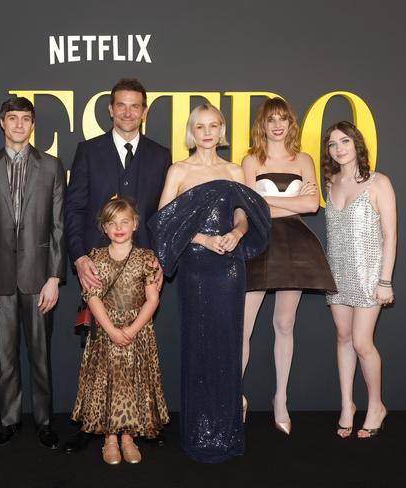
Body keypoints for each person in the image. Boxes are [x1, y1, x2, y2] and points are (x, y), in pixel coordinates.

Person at [149, 104, 270, 463]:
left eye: (213, 125)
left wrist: (236, 232)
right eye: (200, 126)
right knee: (197, 344)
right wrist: (201, 238)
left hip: (230, 268)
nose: (206, 132)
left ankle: (227, 432)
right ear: (192, 131)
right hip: (195, 269)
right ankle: (199, 432)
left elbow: (245, 212)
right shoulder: (179, 170)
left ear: (221, 130)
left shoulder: (234, 169)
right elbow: (162, 222)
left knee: (228, 344)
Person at [64, 78, 170, 453]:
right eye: (121, 105)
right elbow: (74, 208)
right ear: (109, 109)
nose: (128, 112)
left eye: (135, 106)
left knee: (137, 352)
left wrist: (160, 260)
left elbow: (163, 215)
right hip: (99, 271)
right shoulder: (88, 151)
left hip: (141, 272)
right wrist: (78, 258)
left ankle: (135, 426)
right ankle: (103, 426)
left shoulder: (160, 155)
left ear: (144, 111)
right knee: (100, 351)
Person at [0, 96, 65, 449]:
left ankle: (43, 421)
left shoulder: (52, 166)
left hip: (40, 277)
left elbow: (58, 227)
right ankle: (8, 420)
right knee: (5, 356)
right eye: (13, 118)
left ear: (32, 123)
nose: (19, 124)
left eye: (25, 118)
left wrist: (55, 277)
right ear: (1, 122)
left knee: (40, 355)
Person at [241, 98, 336, 435]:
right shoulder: (251, 159)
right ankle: (235, 398)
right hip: (258, 242)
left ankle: (280, 399)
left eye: (283, 118)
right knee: (244, 327)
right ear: (262, 125)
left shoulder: (304, 159)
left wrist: (266, 202)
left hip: (296, 244)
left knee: (284, 323)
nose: (277, 124)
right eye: (271, 119)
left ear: (290, 123)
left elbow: (311, 205)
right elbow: (251, 209)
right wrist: (285, 203)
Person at [71, 197, 169, 465]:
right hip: (106, 330)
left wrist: (133, 328)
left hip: (138, 330)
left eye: (125, 221)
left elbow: (153, 299)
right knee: (109, 380)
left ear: (135, 224)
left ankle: (129, 437)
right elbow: (92, 297)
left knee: (132, 380)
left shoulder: (146, 259)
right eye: (112, 222)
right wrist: (112, 330)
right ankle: (110, 438)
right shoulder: (96, 258)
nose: (119, 227)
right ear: (104, 227)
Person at [322, 121, 395, 438]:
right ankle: (347, 404)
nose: (338, 148)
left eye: (345, 141)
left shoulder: (379, 183)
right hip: (336, 274)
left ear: (357, 145)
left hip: (369, 276)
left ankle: (376, 405)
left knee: (363, 342)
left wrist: (385, 281)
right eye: (333, 143)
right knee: (343, 336)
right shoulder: (330, 182)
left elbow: (390, 237)